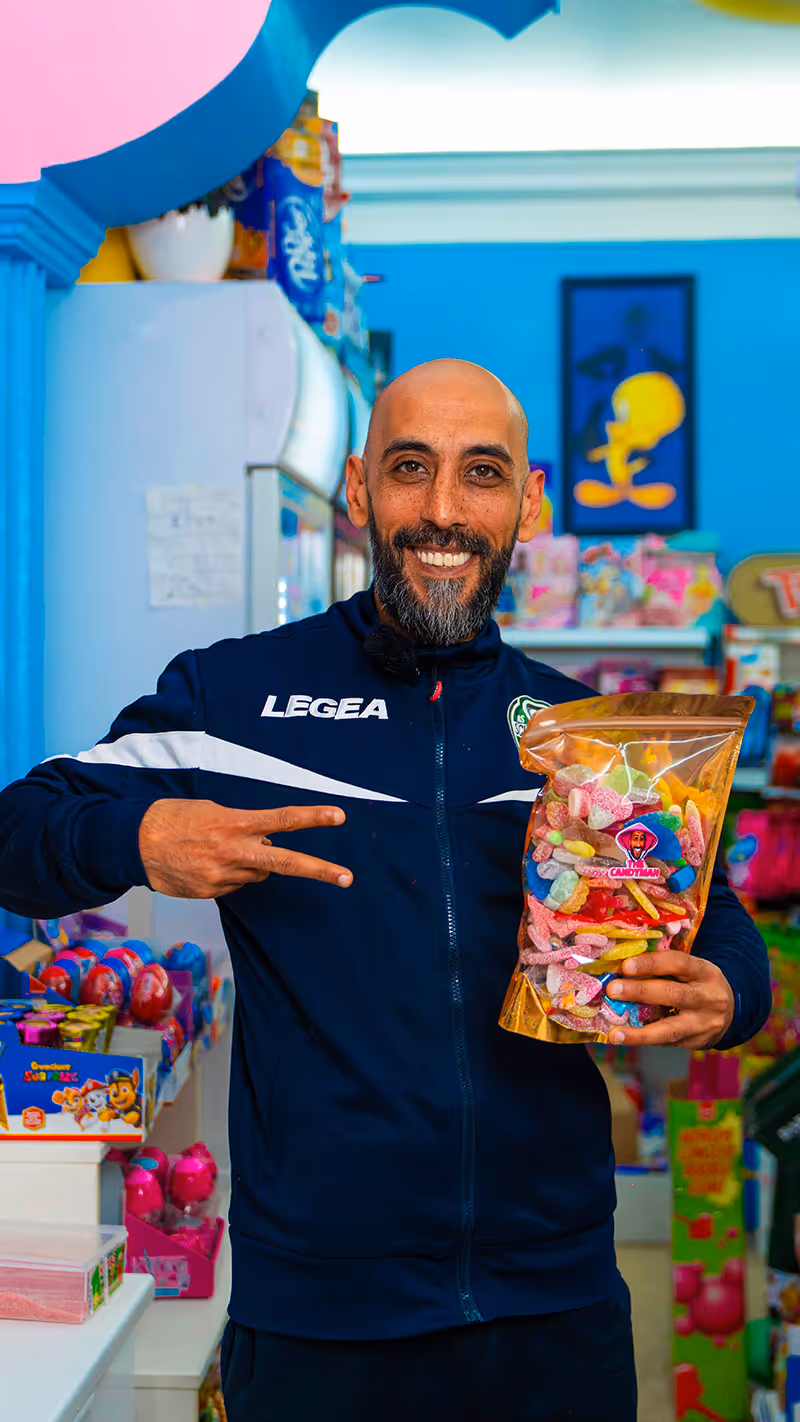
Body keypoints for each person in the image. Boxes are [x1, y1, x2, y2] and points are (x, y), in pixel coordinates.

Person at [0, 360, 769, 1420]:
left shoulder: (581, 736)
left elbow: (715, 918)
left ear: (528, 504)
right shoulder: (234, 697)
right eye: (410, 468)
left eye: (481, 473)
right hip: (321, 1317)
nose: (443, 510)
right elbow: (20, 831)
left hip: (555, 1305)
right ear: (359, 490)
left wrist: (733, 992)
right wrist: (140, 834)